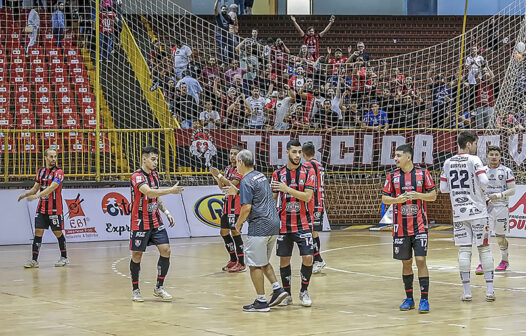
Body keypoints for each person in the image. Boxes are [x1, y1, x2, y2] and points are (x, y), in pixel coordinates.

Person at [223, 150, 288, 312]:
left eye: (237, 161)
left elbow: (247, 207)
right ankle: (278, 289)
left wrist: (237, 225)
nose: (235, 164)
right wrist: (237, 192)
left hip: (259, 227)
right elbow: (258, 197)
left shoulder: (245, 181)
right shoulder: (260, 176)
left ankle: (261, 301)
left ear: (241, 162)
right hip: (274, 225)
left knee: (253, 265)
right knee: (264, 261)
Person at [440, 131, 495, 302]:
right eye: (475, 144)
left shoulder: (448, 162)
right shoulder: (474, 160)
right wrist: (479, 191)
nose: (476, 147)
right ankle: (490, 291)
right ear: (469, 143)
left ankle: (467, 292)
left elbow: (443, 188)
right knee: (484, 248)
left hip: (459, 212)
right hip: (478, 211)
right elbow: (484, 182)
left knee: (464, 250)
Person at [382, 145, 436, 313]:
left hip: (420, 225)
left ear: (408, 157)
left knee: (420, 260)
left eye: (398, 156)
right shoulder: (392, 176)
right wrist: (397, 200)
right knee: (406, 262)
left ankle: (425, 300)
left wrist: (418, 195)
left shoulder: (423, 173)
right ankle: (409, 298)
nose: (395, 159)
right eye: (395, 156)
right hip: (400, 228)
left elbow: (433, 196)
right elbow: (384, 198)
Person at [129, 146, 184, 302]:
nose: (156, 162)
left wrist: (166, 212)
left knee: (166, 250)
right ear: (144, 159)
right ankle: (136, 290)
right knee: (137, 255)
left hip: (155, 219)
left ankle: (159, 287)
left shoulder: (155, 175)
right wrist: (171, 191)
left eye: (157, 159)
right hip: (139, 221)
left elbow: (156, 197)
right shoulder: (137, 177)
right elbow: (149, 192)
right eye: (153, 159)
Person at [271, 139, 316, 307]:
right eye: (294, 152)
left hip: (304, 222)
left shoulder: (308, 171)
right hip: (284, 223)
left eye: (299, 152)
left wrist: (287, 189)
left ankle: (304, 291)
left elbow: (307, 197)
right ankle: (287, 294)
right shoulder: (278, 174)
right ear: (287, 152)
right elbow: (272, 199)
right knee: (284, 260)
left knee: (308, 257)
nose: (297, 155)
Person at [19, 149, 69, 268]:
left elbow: (52, 187)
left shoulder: (59, 172)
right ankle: (34, 260)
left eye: (55, 156)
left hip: (55, 209)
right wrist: (25, 194)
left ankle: (64, 257)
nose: (53, 159)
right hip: (41, 208)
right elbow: (35, 188)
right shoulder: (41, 171)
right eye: (51, 156)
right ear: (45, 157)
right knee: (38, 232)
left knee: (57, 232)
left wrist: (36, 196)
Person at [477, 146, 515, 273]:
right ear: (487, 156)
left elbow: (512, 190)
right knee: (483, 236)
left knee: (500, 237)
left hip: (501, 208)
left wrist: (498, 195)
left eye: (496, 154)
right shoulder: (481, 171)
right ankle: (483, 263)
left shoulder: (506, 171)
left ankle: (505, 261)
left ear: (500, 156)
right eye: (491, 154)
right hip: (485, 208)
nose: (494, 157)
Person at [210, 146, 246, 273]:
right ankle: (233, 259)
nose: (232, 156)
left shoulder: (241, 170)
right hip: (227, 206)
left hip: (236, 207)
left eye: (235, 154)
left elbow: (233, 184)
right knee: (224, 232)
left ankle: (241, 263)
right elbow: (223, 186)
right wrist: (216, 177)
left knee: (235, 232)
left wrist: (219, 175)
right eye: (231, 153)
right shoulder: (227, 168)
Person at [302, 142, 327, 274]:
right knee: (313, 232)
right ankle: (317, 259)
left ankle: (318, 260)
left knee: (311, 232)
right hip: (319, 202)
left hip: (313, 202)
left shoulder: (307, 165)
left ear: (303, 153)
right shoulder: (319, 165)